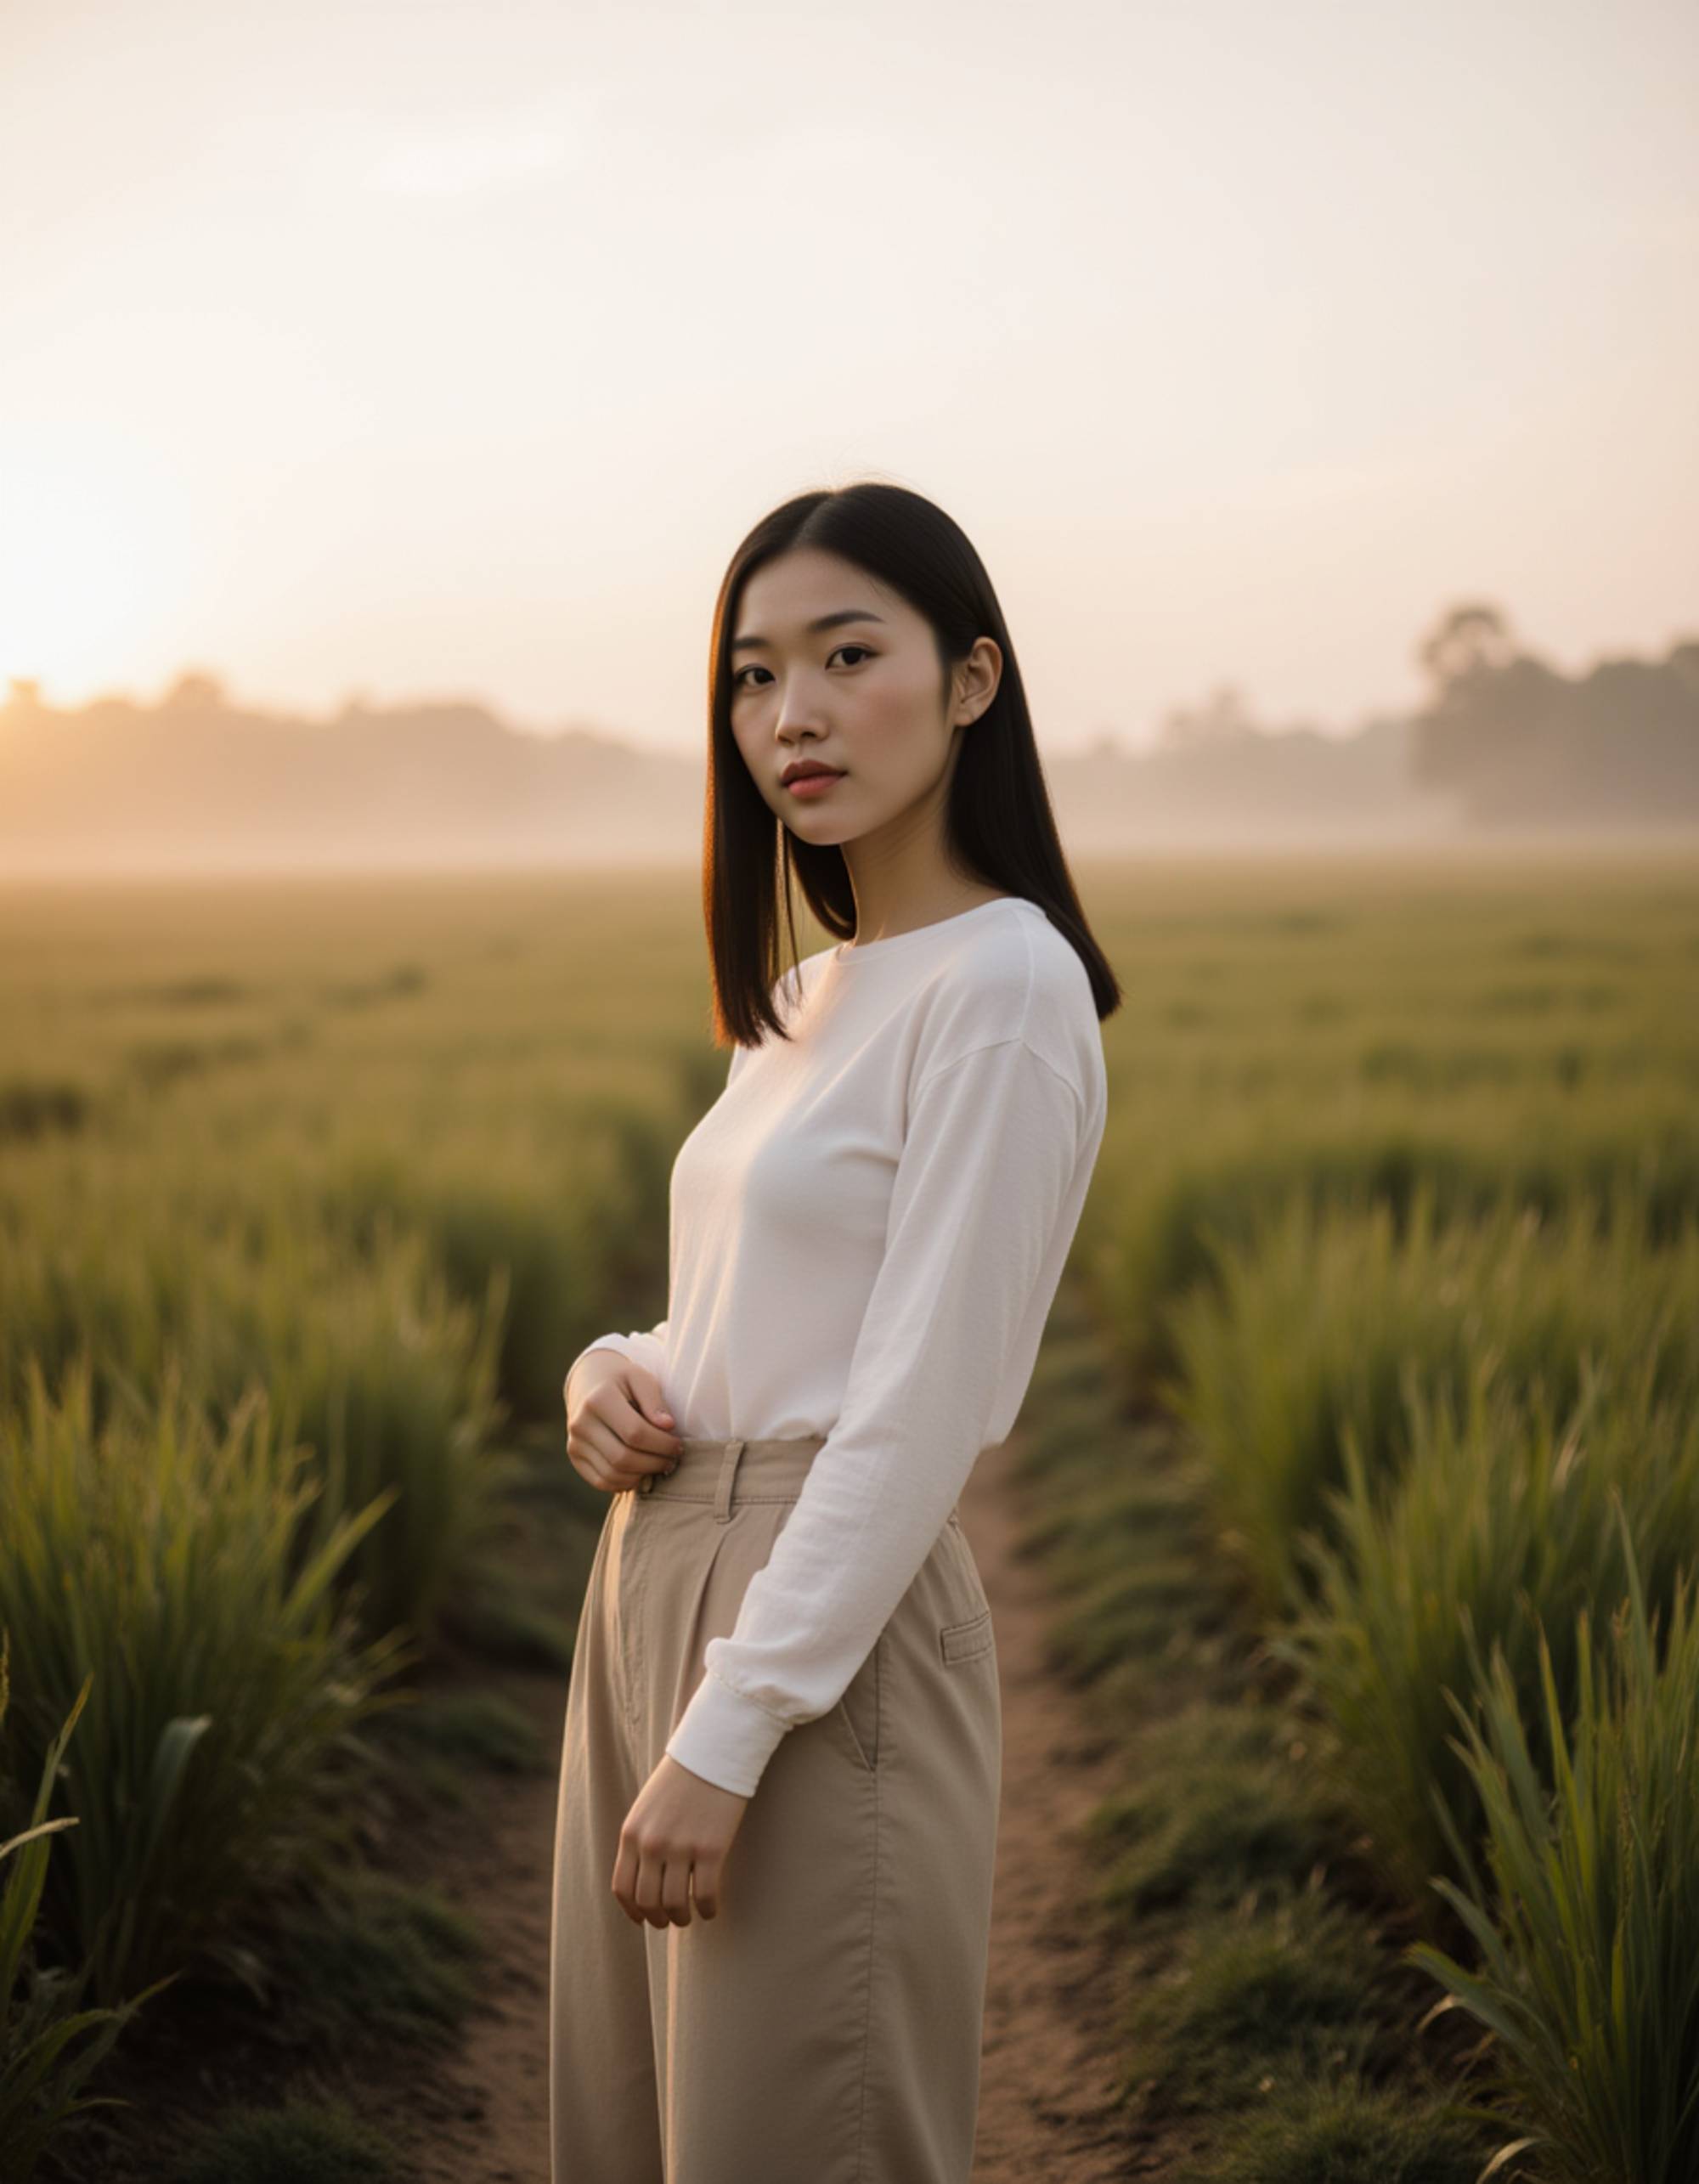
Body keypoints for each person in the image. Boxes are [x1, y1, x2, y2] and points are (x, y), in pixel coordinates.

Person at [551, 478, 1120, 2184]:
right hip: (653, 1580)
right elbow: (755, 1303)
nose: (787, 713)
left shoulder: (1001, 985)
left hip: (812, 1630)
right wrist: (617, 1362)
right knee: (638, 2133)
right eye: (748, 674)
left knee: (798, 2140)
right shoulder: (805, 994)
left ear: (969, 680)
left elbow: (914, 1404)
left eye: (843, 654)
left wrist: (729, 1731)